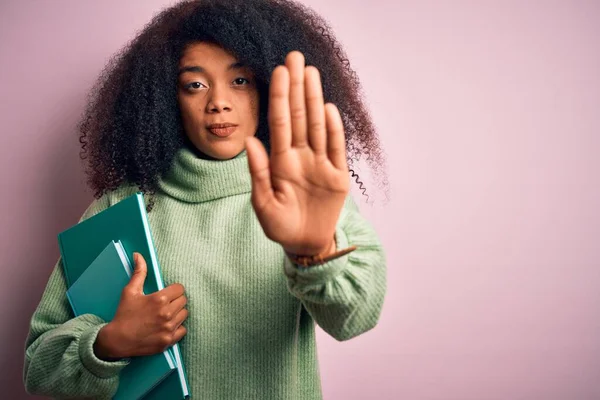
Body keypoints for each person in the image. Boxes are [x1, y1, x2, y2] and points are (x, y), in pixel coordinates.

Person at [23, 0, 388, 398]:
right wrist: (109, 343)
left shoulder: (305, 195)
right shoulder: (121, 207)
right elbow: (39, 367)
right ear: (166, 98)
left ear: (266, 87)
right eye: (195, 84)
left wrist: (315, 253)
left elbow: (354, 318)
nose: (218, 102)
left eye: (240, 80)